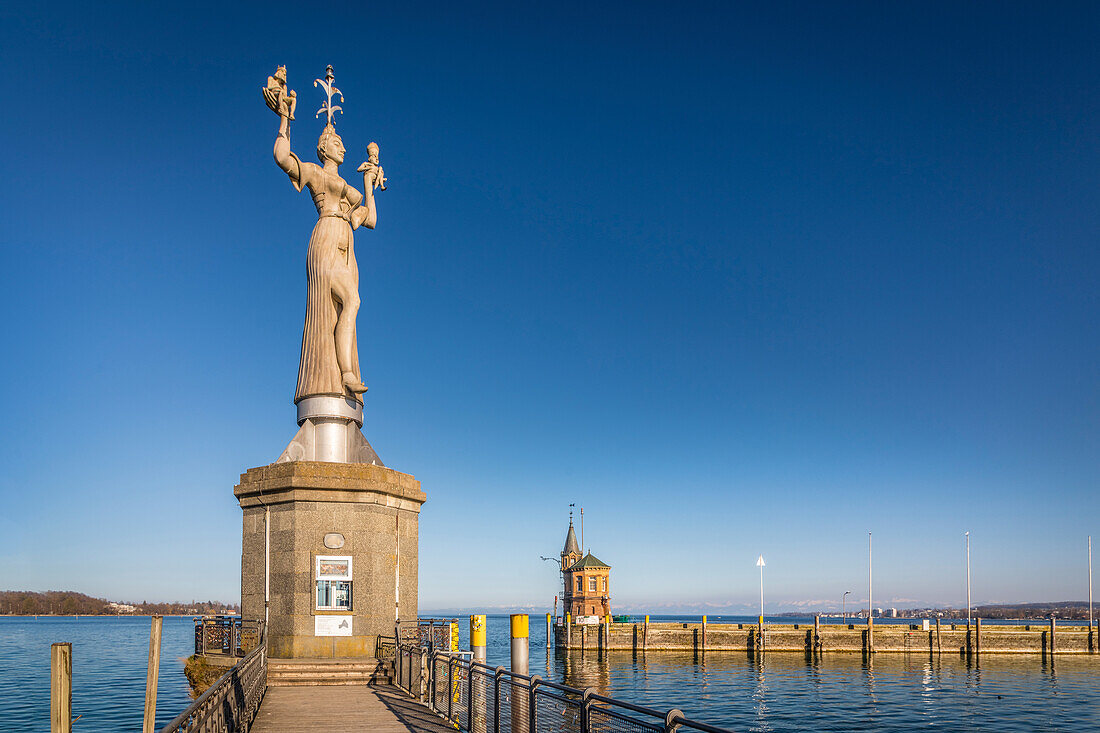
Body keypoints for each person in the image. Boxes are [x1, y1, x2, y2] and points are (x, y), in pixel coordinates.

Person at [269, 95, 383, 401]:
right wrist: (285, 119)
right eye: (338, 143)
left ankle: (345, 372)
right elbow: (282, 157)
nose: (343, 148)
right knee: (353, 300)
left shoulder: (351, 192)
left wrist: (369, 184)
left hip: (348, 244)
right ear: (324, 148)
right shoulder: (316, 174)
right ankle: (346, 374)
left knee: (349, 305)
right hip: (327, 236)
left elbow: (369, 219)